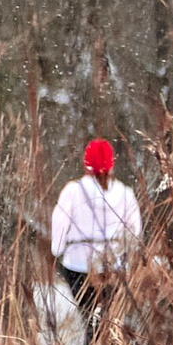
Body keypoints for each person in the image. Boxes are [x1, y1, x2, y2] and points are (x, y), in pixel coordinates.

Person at [51, 138, 143, 328]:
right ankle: (104, 344)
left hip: (78, 265)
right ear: (112, 164)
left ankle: (93, 344)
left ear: (86, 164)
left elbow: (59, 223)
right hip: (114, 266)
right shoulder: (125, 194)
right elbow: (135, 232)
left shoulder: (73, 191)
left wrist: (57, 249)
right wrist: (127, 255)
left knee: (89, 318)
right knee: (107, 319)